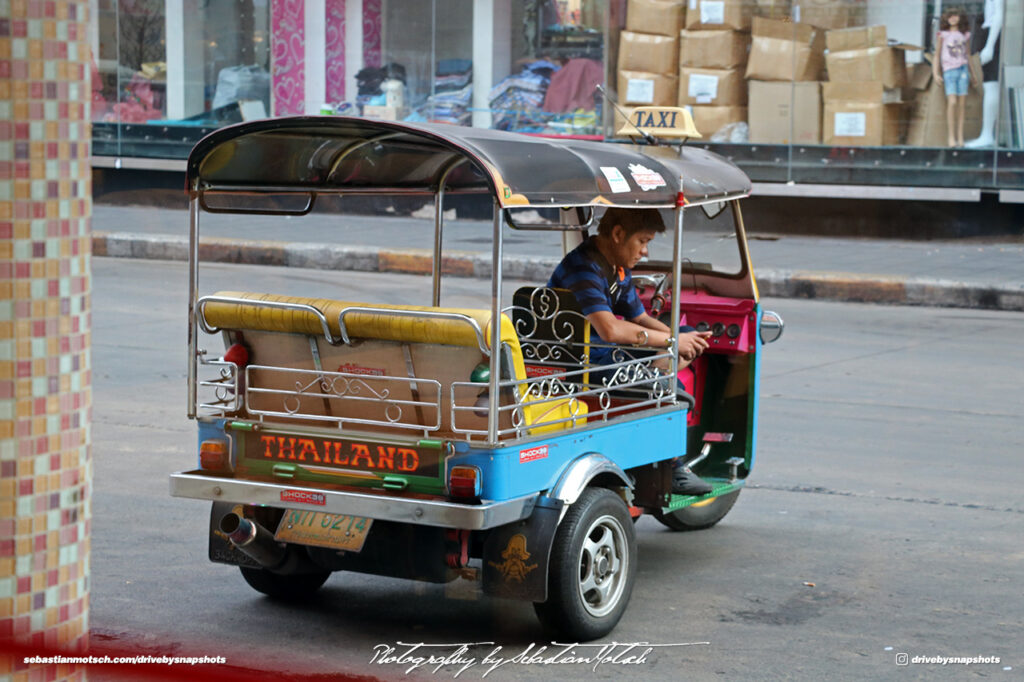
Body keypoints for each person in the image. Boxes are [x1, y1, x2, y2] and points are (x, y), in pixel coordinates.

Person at [548, 207, 715, 496]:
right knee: (661, 378)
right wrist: (672, 345)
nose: (645, 252)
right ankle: (672, 465)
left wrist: (681, 339)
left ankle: (658, 380)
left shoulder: (618, 269)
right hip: (579, 363)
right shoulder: (584, 268)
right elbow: (610, 330)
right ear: (617, 234)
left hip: (604, 354)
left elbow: (638, 318)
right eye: (642, 241)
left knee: (684, 338)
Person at [934, 8, 971, 148]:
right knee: (953, 102)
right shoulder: (943, 35)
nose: (953, 18)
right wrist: (936, 73)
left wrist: (972, 74)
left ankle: (960, 137)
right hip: (949, 70)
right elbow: (937, 55)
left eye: (956, 15)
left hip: (963, 69)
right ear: (946, 19)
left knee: (961, 104)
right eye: (950, 16)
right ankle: (951, 137)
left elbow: (968, 54)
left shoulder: (965, 35)